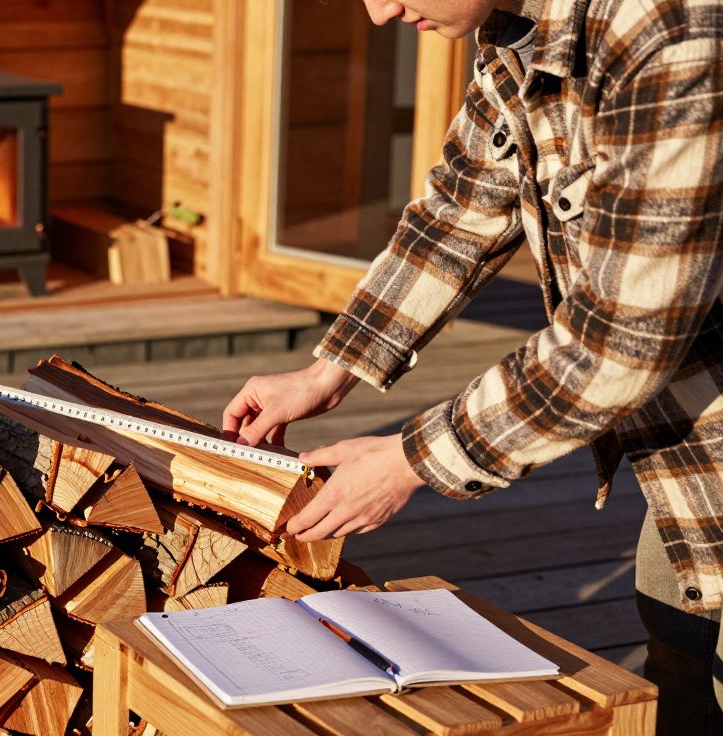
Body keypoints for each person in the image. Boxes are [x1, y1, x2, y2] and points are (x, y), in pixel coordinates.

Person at [222, 0, 723, 729]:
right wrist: (329, 369)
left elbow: (623, 337)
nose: (378, 13)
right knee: (679, 657)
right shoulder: (515, 34)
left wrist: (409, 460)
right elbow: (459, 211)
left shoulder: (671, 37)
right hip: (685, 452)